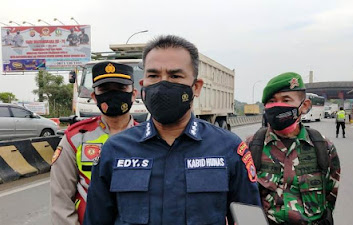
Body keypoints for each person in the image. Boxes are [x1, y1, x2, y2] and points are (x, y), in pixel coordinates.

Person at [84, 35, 261, 225]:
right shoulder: (115, 149)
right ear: (143, 85)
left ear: (196, 87)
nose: (162, 84)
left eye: (175, 76)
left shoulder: (228, 148)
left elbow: (250, 220)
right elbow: (96, 219)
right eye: (153, 76)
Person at [50, 61, 139, 225]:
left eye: (120, 89)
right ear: (94, 96)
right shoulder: (76, 137)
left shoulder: (147, 139)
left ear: (133, 94)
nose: (112, 95)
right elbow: (61, 198)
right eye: (105, 90)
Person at [248, 72, 340, 225]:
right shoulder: (251, 147)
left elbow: (329, 199)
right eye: (272, 101)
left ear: (304, 106)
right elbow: (243, 198)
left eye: (286, 100)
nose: (278, 106)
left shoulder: (323, 148)